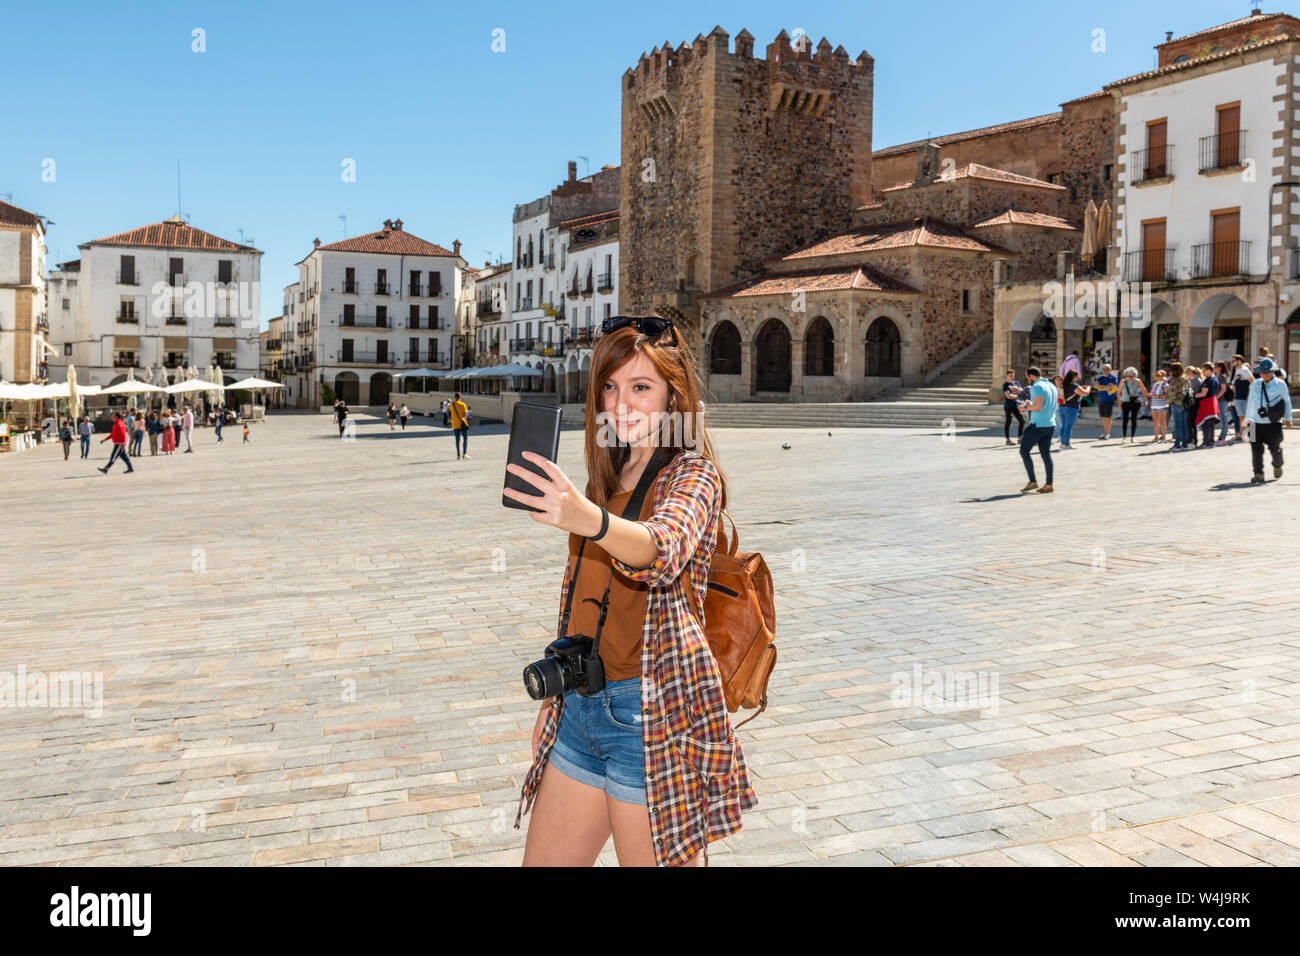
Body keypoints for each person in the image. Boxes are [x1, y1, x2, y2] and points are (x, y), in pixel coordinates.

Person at [508, 313, 756, 867]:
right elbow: (583, 604)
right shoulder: (607, 479)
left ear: (673, 396)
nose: (620, 404)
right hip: (580, 709)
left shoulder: (692, 475)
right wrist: (555, 702)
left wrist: (589, 519)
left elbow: (662, 549)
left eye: (641, 387)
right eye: (611, 387)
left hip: (651, 715)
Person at [1244, 357, 1293, 483]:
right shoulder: (1255, 384)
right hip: (1254, 422)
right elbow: (1250, 403)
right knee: (1255, 449)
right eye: (1262, 372)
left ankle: (1277, 464)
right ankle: (1258, 473)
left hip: (1273, 423)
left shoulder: (1281, 384)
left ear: (1273, 371)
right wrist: (1246, 420)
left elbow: (1287, 402)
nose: (1265, 374)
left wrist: (1288, 418)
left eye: (1267, 372)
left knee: (1274, 448)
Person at [1017, 366, 1057, 493]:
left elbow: (1038, 407)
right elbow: (1044, 404)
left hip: (1038, 424)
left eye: (1028, 377)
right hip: (1050, 424)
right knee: (1046, 454)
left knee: (1024, 451)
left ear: (1032, 376)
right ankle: (1049, 484)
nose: (1028, 380)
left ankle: (1033, 481)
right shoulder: (1051, 386)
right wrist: (1030, 404)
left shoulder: (1037, 387)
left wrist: (1027, 407)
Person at [1058, 370, 1090, 449]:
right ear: (1074, 377)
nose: (1078, 378)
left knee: (1063, 426)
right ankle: (1066, 444)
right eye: (1077, 376)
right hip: (1071, 408)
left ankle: (1062, 443)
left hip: (1062, 407)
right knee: (1068, 426)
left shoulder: (1063, 385)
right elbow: (1085, 393)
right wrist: (1089, 387)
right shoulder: (1074, 386)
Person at [1193, 362, 1220, 448]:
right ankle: (1211, 441)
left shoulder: (1208, 380)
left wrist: (1195, 395)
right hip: (1213, 402)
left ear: (1208, 370)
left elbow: (1203, 393)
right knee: (1211, 423)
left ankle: (1206, 442)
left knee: (1206, 423)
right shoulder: (1215, 379)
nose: (1203, 372)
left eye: (1204, 370)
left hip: (1207, 403)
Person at [1118, 367, 1147, 444]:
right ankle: (1124, 437)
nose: (1129, 378)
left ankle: (1132, 437)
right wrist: (1119, 403)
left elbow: (1144, 391)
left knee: (1134, 419)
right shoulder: (1122, 382)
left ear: (1134, 375)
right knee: (1125, 420)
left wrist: (1145, 400)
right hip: (1125, 401)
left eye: (1131, 376)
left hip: (1134, 402)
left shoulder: (1138, 381)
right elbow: (1118, 393)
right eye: (1127, 376)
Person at [1231, 354, 1254, 443]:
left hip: (1244, 397)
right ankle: (1243, 435)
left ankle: (1248, 436)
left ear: (1239, 361)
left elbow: (1253, 381)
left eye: (1233, 361)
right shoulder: (1237, 370)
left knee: (1245, 417)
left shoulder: (1244, 370)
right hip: (1238, 397)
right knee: (1242, 417)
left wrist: (1249, 395)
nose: (1232, 363)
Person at [1094, 364, 1119, 439]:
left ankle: (1107, 433)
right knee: (1104, 416)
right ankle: (1105, 433)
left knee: (1108, 416)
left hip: (1109, 399)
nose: (1105, 371)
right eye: (1104, 369)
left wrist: (1101, 387)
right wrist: (1105, 387)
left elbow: (1113, 387)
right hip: (1101, 399)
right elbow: (1096, 386)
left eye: (1107, 369)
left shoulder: (1113, 377)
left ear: (1110, 370)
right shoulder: (1100, 378)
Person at [1214, 360, 1235, 445]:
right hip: (1219, 399)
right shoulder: (1217, 375)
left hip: (1222, 400)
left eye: (1215, 367)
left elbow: (1223, 389)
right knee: (1222, 417)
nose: (1214, 368)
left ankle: (1222, 436)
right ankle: (1222, 435)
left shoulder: (1222, 377)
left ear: (1220, 368)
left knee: (1223, 418)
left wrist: (1217, 397)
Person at [1001, 369, 1024, 446]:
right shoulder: (1006, 385)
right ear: (1007, 376)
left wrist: (1018, 389)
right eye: (1010, 376)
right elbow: (1008, 396)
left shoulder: (1017, 383)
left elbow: (1022, 391)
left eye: (1013, 375)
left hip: (1017, 406)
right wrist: (1018, 396)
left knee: (1022, 421)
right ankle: (1007, 440)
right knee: (1008, 422)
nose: (1012, 377)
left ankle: (1020, 438)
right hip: (1009, 407)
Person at [1148, 370, 1169, 442]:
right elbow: (1152, 394)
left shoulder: (1165, 385)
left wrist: (1158, 396)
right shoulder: (1155, 384)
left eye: (1158, 375)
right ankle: (1156, 436)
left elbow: (1167, 396)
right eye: (1156, 375)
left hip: (1162, 405)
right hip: (1154, 405)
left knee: (1162, 421)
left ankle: (1163, 436)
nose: (1156, 377)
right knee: (1156, 421)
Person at [1185, 365, 1204, 447]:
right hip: (1197, 403)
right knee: (1194, 424)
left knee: (1190, 423)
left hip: (1193, 403)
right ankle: (1194, 440)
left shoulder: (1193, 380)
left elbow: (1190, 392)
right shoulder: (1200, 379)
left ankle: (1191, 441)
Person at [449, 391, 470, 459]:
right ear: (460, 397)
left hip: (455, 424)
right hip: (462, 424)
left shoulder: (451, 405)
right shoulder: (463, 405)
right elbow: (465, 415)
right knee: (465, 439)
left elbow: (450, 413)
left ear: (454, 397)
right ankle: (464, 454)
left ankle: (458, 455)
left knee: (457, 440)